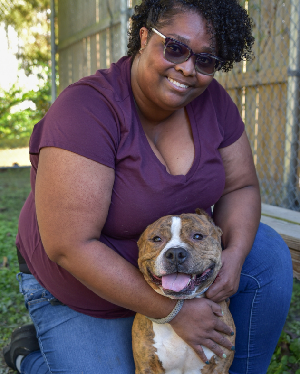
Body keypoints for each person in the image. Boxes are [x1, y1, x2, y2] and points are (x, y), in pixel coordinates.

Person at [3, 0, 293, 373]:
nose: (188, 68)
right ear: (144, 36)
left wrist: (233, 258)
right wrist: (174, 312)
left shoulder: (213, 102)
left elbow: (240, 187)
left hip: (179, 264)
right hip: (83, 286)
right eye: (175, 47)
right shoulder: (85, 110)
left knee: (266, 253)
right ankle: (29, 357)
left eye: (206, 60)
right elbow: (70, 246)